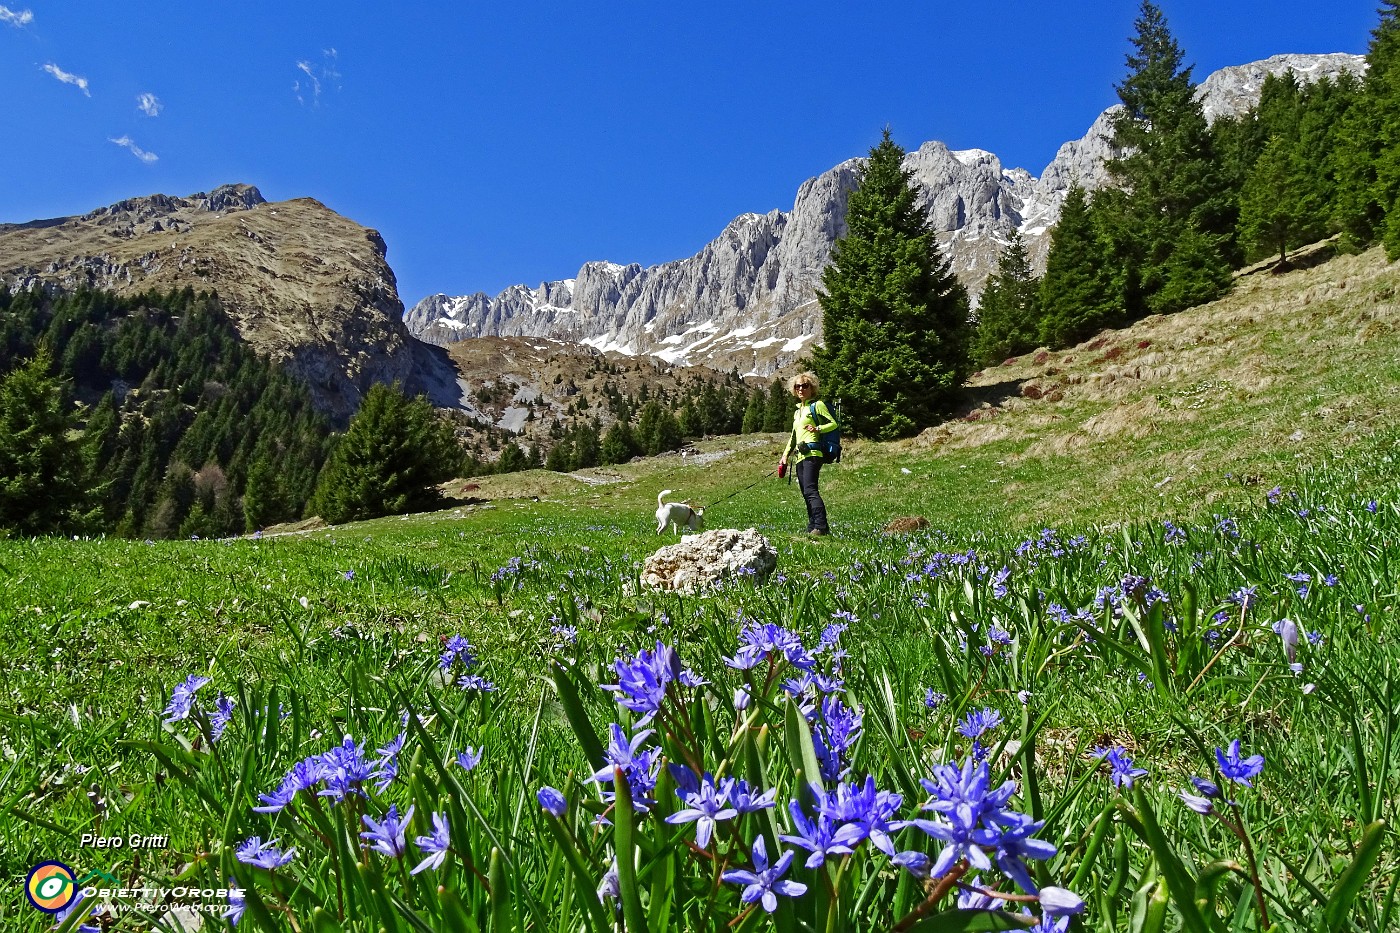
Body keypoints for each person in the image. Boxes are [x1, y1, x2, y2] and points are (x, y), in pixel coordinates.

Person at [778, 371, 837, 536]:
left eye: (805, 385)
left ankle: (821, 526)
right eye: (798, 386)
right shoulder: (798, 412)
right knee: (805, 492)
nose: (801, 389)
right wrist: (785, 455)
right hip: (799, 456)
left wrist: (817, 428)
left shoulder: (817, 405)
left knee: (811, 490)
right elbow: (793, 436)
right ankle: (812, 526)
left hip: (813, 454)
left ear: (812, 387)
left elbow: (834, 424)